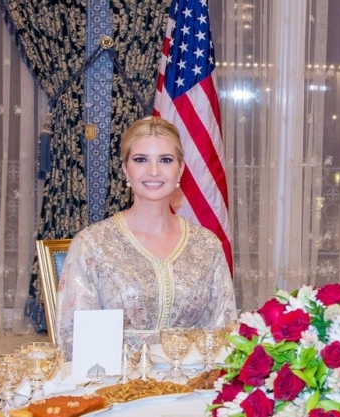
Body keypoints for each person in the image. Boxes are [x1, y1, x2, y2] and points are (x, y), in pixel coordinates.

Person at [55, 116, 237, 359]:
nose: (153, 171)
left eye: (165, 160)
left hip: (192, 379)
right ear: (125, 169)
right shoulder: (92, 244)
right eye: (141, 159)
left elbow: (224, 333)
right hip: (115, 379)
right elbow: (75, 340)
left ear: (180, 169)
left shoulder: (207, 245)